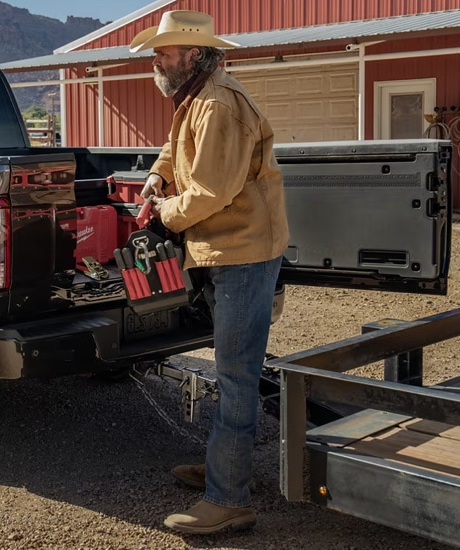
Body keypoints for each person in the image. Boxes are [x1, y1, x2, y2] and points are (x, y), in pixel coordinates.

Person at [129, 10, 290, 535]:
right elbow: (176, 153)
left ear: (193, 55)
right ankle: (225, 470)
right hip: (227, 250)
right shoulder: (196, 96)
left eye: (164, 51)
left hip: (242, 253)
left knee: (236, 375)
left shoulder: (218, 104)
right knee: (230, 370)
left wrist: (161, 213)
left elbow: (210, 192)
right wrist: (156, 178)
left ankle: (229, 499)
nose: (157, 58)